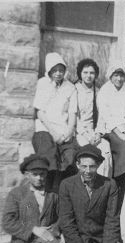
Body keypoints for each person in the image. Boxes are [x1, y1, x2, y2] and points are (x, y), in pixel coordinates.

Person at [2, 154, 75, 243]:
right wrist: (34, 230)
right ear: (26, 175)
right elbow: (8, 222)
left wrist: (53, 231)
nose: (39, 178)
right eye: (35, 174)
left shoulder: (53, 194)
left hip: (50, 242)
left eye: (42, 174)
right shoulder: (17, 194)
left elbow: (62, 217)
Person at [59, 145, 121, 243]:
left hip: (101, 241)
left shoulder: (109, 184)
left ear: (98, 165)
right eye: (83, 166)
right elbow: (66, 221)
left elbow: (113, 219)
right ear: (77, 164)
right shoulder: (66, 185)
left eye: (92, 166)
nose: (87, 171)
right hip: (81, 241)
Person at [32, 52, 78, 192]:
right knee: (49, 156)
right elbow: (40, 112)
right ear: (49, 70)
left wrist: (69, 133)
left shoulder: (70, 87)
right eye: (55, 70)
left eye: (61, 70)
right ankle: (49, 193)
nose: (58, 73)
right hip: (45, 129)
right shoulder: (42, 83)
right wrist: (53, 133)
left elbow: (72, 113)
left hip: (64, 131)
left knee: (70, 156)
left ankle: (61, 193)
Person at [96, 61, 125, 203]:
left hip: (124, 128)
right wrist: (120, 133)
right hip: (109, 129)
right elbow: (106, 116)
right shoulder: (104, 91)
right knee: (122, 147)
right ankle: (120, 181)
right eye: (116, 75)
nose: (119, 79)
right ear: (110, 76)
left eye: (121, 75)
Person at [74, 58, 112, 177]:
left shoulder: (98, 92)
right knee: (87, 151)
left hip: (93, 131)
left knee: (105, 146)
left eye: (92, 73)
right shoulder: (74, 89)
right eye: (85, 72)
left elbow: (102, 116)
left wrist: (98, 134)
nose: (88, 76)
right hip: (78, 131)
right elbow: (74, 116)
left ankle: (104, 185)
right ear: (80, 73)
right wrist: (86, 135)